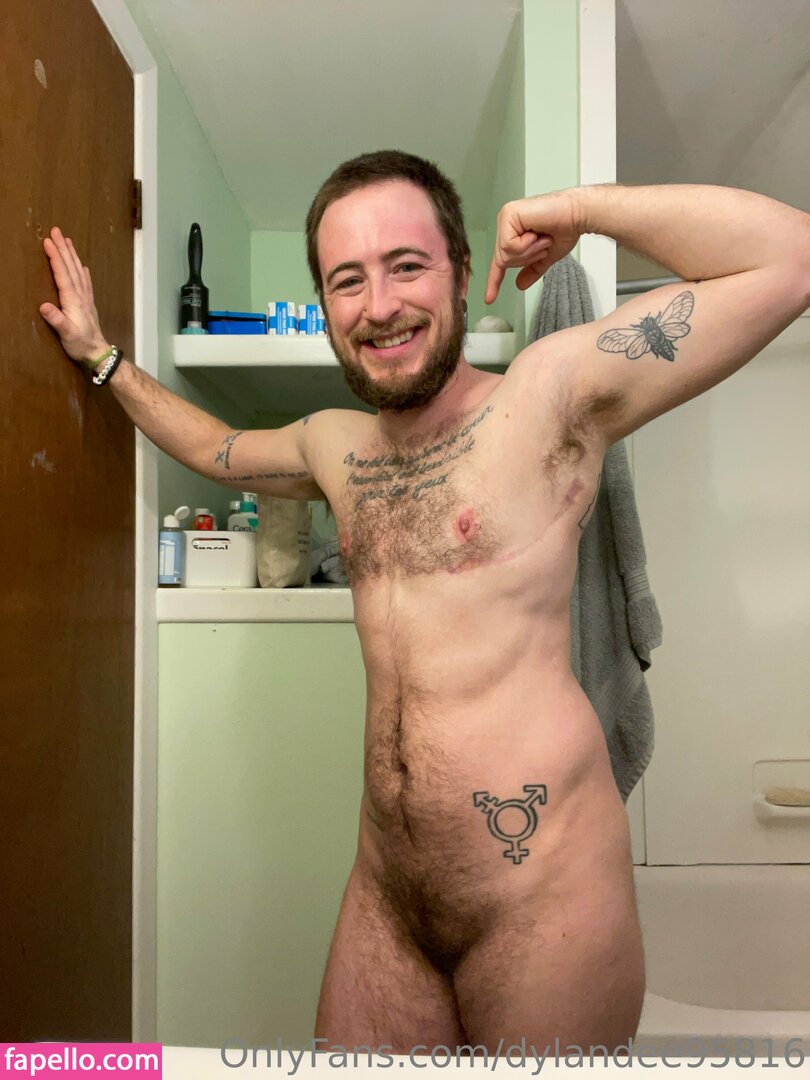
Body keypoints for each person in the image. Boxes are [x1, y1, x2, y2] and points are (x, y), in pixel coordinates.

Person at [40, 150, 810, 1056]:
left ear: (460, 269)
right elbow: (214, 446)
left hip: (542, 900)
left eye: (406, 266)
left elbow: (789, 258)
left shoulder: (549, 397)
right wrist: (101, 358)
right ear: (325, 304)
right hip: (389, 902)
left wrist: (580, 208)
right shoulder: (334, 446)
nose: (379, 306)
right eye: (347, 280)